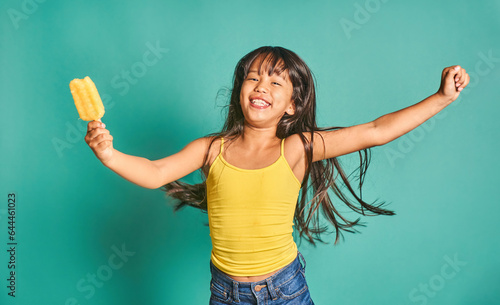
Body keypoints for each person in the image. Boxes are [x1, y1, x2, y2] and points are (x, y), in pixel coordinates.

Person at [84, 46, 469, 304]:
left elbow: (376, 131)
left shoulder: (296, 147)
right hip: (225, 292)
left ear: (291, 105)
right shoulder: (211, 148)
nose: (261, 86)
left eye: (275, 82)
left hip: (283, 290)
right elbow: (155, 173)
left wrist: (441, 97)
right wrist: (109, 153)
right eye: (253, 78)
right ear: (240, 90)